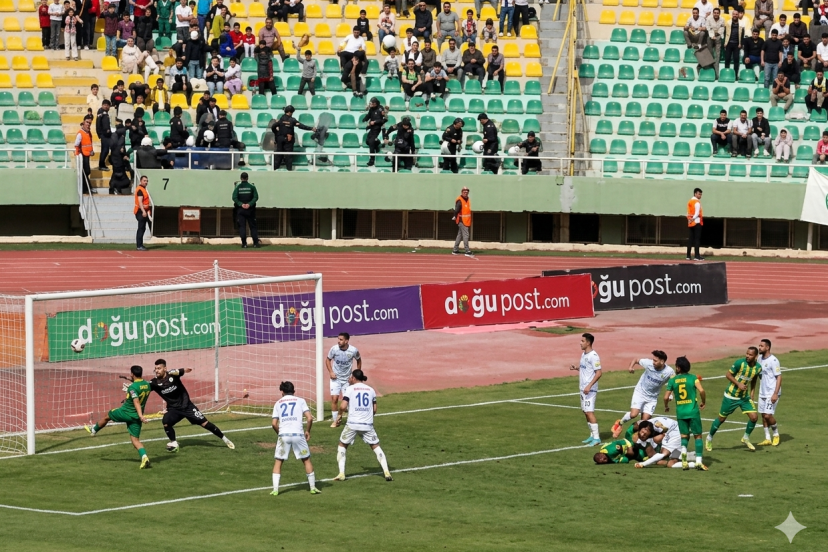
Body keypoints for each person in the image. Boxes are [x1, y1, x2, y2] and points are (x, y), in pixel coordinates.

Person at [149, 359, 235, 452]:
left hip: (187, 406)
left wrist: (185, 370)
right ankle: (174, 442)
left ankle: (225, 439)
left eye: (159, 368)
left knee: (205, 423)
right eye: (155, 369)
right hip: (174, 409)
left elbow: (185, 370)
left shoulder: (173, 374)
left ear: (165, 368)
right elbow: (143, 388)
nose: (157, 371)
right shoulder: (154, 383)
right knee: (166, 422)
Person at [84, 365, 152, 469]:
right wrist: (139, 416)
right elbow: (140, 386)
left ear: (132, 374)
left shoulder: (132, 387)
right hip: (136, 418)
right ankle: (144, 457)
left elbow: (136, 401)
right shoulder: (147, 385)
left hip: (126, 413)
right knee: (135, 440)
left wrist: (141, 416)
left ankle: (93, 430)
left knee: (108, 415)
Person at [333, 369, 393, 482]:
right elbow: (374, 409)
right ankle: (386, 471)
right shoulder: (371, 390)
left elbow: (342, 406)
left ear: (354, 378)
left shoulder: (350, 389)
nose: (349, 379)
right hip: (367, 425)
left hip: (352, 424)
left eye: (350, 377)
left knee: (342, 445)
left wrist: (339, 416)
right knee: (376, 446)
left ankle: (341, 473)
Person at [706, 347, 763, 452]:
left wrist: (752, 392)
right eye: (747, 353)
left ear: (756, 356)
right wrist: (738, 384)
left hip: (744, 397)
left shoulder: (758, 368)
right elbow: (728, 375)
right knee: (721, 419)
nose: (747, 356)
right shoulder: (739, 363)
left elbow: (754, 378)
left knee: (754, 417)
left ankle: (745, 437)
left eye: (750, 355)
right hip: (731, 396)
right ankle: (709, 438)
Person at [270, 381, 320, 496]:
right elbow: (309, 418)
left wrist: (280, 434)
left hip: (284, 436)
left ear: (282, 392)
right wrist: (308, 431)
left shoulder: (278, 403)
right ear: (294, 391)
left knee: (279, 461)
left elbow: (273, 424)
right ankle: (312, 488)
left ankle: (275, 490)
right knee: (306, 460)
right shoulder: (301, 401)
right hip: (298, 435)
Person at [611, 351, 675, 438]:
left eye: (655, 361)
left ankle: (635, 436)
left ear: (662, 361)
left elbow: (673, 382)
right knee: (633, 414)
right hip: (640, 393)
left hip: (652, 398)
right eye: (653, 360)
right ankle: (620, 423)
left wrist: (671, 394)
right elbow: (636, 360)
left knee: (644, 422)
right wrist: (630, 367)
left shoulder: (669, 371)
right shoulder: (648, 363)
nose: (653, 362)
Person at [663, 355, 708, 470]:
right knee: (698, 436)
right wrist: (703, 402)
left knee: (684, 437)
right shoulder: (693, 378)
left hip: (681, 413)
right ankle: (698, 462)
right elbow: (702, 391)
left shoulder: (673, 380)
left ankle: (684, 461)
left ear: (678, 368)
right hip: (693, 412)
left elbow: (666, 397)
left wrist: (666, 406)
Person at [569, 333, 601, 446]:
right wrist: (576, 368)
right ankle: (592, 435)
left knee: (589, 412)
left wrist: (589, 386)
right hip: (583, 388)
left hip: (589, 390)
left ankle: (597, 438)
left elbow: (598, 373)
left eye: (582, 341)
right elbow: (586, 369)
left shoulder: (594, 356)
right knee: (585, 412)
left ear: (588, 343)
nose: (580, 343)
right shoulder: (584, 354)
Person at [324, 332, 361, 427]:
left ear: (346, 341)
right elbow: (328, 360)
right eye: (338, 339)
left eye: (341, 340)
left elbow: (358, 359)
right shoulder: (334, 349)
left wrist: (356, 374)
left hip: (347, 380)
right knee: (334, 399)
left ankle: (351, 420)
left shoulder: (353, 350)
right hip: (335, 378)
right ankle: (335, 421)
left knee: (348, 400)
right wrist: (331, 372)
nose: (338, 341)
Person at [756, 339, 782, 447]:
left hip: (772, 392)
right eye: (759, 345)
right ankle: (767, 438)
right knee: (763, 415)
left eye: (761, 346)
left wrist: (775, 393)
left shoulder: (773, 360)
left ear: (767, 347)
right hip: (762, 391)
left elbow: (779, 377)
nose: (759, 347)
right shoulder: (759, 359)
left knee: (768, 415)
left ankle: (776, 434)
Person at [272, 105, 314, 170]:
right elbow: (301, 126)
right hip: (288, 140)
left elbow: (273, 126)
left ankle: (274, 169)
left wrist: (277, 134)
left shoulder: (281, 119)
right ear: (289, 112)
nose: (292, 114)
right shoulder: (292, 120)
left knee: (278, 155)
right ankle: (289, 170)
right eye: (292, 112)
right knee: (288, 156)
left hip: (280, 139)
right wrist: (311, 128)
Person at [232, 172, 260, 248]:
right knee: (253, 227)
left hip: (241, 210)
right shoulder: (252, 186)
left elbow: (234, 197)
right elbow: (256, 197)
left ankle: (244, 244)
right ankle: (255, 243)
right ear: (247, 178)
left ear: (241, 178)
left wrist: (241, 204)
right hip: (250, 210)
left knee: (242, 227)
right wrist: (249, 204)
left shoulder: (238, 187)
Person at [363, 97, 387, 166]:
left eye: (372, 103)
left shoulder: (381, 109)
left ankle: (372, 160)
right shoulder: (371, 109)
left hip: (377, 128)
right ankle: (377, 143)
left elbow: (384, 119)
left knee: (371, 143)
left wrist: (375, 122)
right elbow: (369, 115)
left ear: (375, 103)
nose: (371, 104)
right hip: (372, 128)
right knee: (367, 141)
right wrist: (365, 119)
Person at [74, 119, 94, 194]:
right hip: (82, 155)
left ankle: (85, 188)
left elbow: (89, 143)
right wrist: (77, 154)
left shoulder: (88, 133)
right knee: (85, 171)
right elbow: (76, 145)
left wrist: (91, 151)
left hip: (87, 154)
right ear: (83, 123)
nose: (88, 124)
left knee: (86, 172)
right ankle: (86, 188)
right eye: (87, 122)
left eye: (89, 123)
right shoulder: (80, 133)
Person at [705, 8, 725, 79]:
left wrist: (716, 34)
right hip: (710, 36)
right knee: (710, 55)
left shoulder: (722, 19)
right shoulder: (709, 19)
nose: (716, 14)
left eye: (717, 13)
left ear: (719, 13)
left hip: (718, 36)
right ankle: (710, 72)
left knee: (717, 55)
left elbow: (722, 29)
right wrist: (712, 35)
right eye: (715, 13)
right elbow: (708, 28)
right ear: (713, 13)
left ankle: (716, 74)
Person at [723, 7, 745, 72]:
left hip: (737, 44)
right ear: (732, 15)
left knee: (736, 60)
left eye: (736, 14)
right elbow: (725, 33)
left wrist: (741, 43)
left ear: (738, 15)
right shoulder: (728, 22)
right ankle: (726, 73)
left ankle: (735, 74)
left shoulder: (741, 23)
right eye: (734, 14)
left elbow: (742, 35)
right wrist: (725, 42)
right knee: (727, 59)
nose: (735, 15)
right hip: (729, 43)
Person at [452, 186, 472, 255]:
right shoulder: (460, 200)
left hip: (466, 220)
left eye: (467, 191)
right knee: (466, 235)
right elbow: (457, 209)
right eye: (464, 191)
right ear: (462, 192)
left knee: (460, 235)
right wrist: (454, 215)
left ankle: (455, 249)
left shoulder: (467, 199)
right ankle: (467, 250)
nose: (466, 192)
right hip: (462, 220)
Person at [134, 175, 151, 251]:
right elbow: (140, 202)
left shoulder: (143, 189)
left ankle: (140, 244)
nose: (146, 182)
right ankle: (139, 245)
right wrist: (143, 211)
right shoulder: (140, 190)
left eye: (147, 181)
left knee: (143, 228)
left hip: (143, 210)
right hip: (140, 211)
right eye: (144, 181)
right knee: (141, 228)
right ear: (140, 181)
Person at [686, 187, 703, 261]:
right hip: (697, 222)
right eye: (699, 194)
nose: (700, 196)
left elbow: (688, 212)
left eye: (701, 194)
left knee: (690, 239)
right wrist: (693, 218)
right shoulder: (697, 202)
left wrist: (689, 219)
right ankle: (697, 256)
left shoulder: (690, 201)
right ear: (695, 194)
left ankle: (688, 256)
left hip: (690, 223)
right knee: (697, 239)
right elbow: (697, 213)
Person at [95, 100, 112, 171]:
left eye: (107, 105)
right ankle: (101, 165)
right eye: (105, 105)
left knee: (105, 150)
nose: (106, 106)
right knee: (105, 150)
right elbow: (98, 124)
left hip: (107, 135)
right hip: (104, 135)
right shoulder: (101, 113)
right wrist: (100, 134)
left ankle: (102, 164)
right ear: (102, 105)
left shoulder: (106, 113)